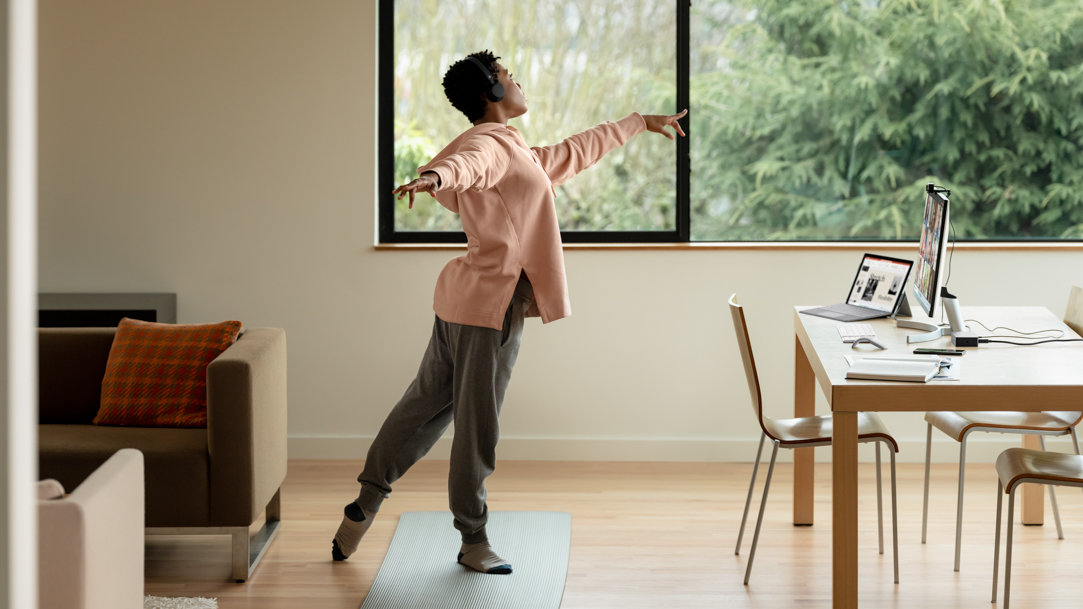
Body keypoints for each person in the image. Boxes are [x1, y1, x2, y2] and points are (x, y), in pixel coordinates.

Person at [332, 50, 687, 575]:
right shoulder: (488, 145)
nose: (518, 83)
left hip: (461, 301)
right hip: (489, 310)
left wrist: (636, 124)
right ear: (492, 94)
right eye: (509, 77)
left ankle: (363, 506)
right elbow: (467, 167)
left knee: (422, 409)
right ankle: (473, 540)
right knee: (478, 427)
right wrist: (433, 178)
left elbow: (568, 154)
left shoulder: (511, 146)